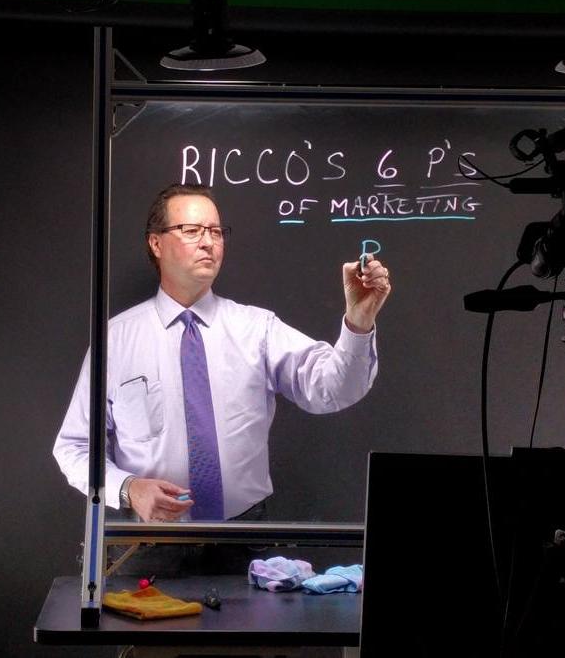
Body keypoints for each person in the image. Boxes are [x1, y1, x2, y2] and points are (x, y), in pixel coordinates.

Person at [53, 183, 391, 523]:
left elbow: (334, 390)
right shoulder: (116, 340)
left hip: (243, 538)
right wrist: (128, 488)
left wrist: (358, 324)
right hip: (148, 543)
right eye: (191, 230)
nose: (208, 242)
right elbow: (74, 447)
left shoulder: (257, 329)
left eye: (216, 232)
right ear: (156, 243)